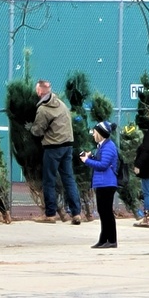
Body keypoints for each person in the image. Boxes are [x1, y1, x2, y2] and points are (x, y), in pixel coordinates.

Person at [29, 79, 81, 224]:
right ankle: (76, 213)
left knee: (49, 180)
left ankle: (50, 214)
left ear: (39, 91)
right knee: (69, 179)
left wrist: (30, 129)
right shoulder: (62, 105)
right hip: (68, 145)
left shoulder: (43, 109)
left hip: (53, 147)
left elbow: (37, 131)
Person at [80, 121, 118, 248]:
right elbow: (101, 161)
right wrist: (90, 157)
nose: (93, 134)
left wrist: (87, 161)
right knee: (103, 211)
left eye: (95, 132)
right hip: (102, 183)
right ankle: (104, 239)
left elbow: (103, 165)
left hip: (107, 183)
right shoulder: (102, 146)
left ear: (101, 134)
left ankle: (111, 240)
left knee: (106, 212)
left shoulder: (109, 147)